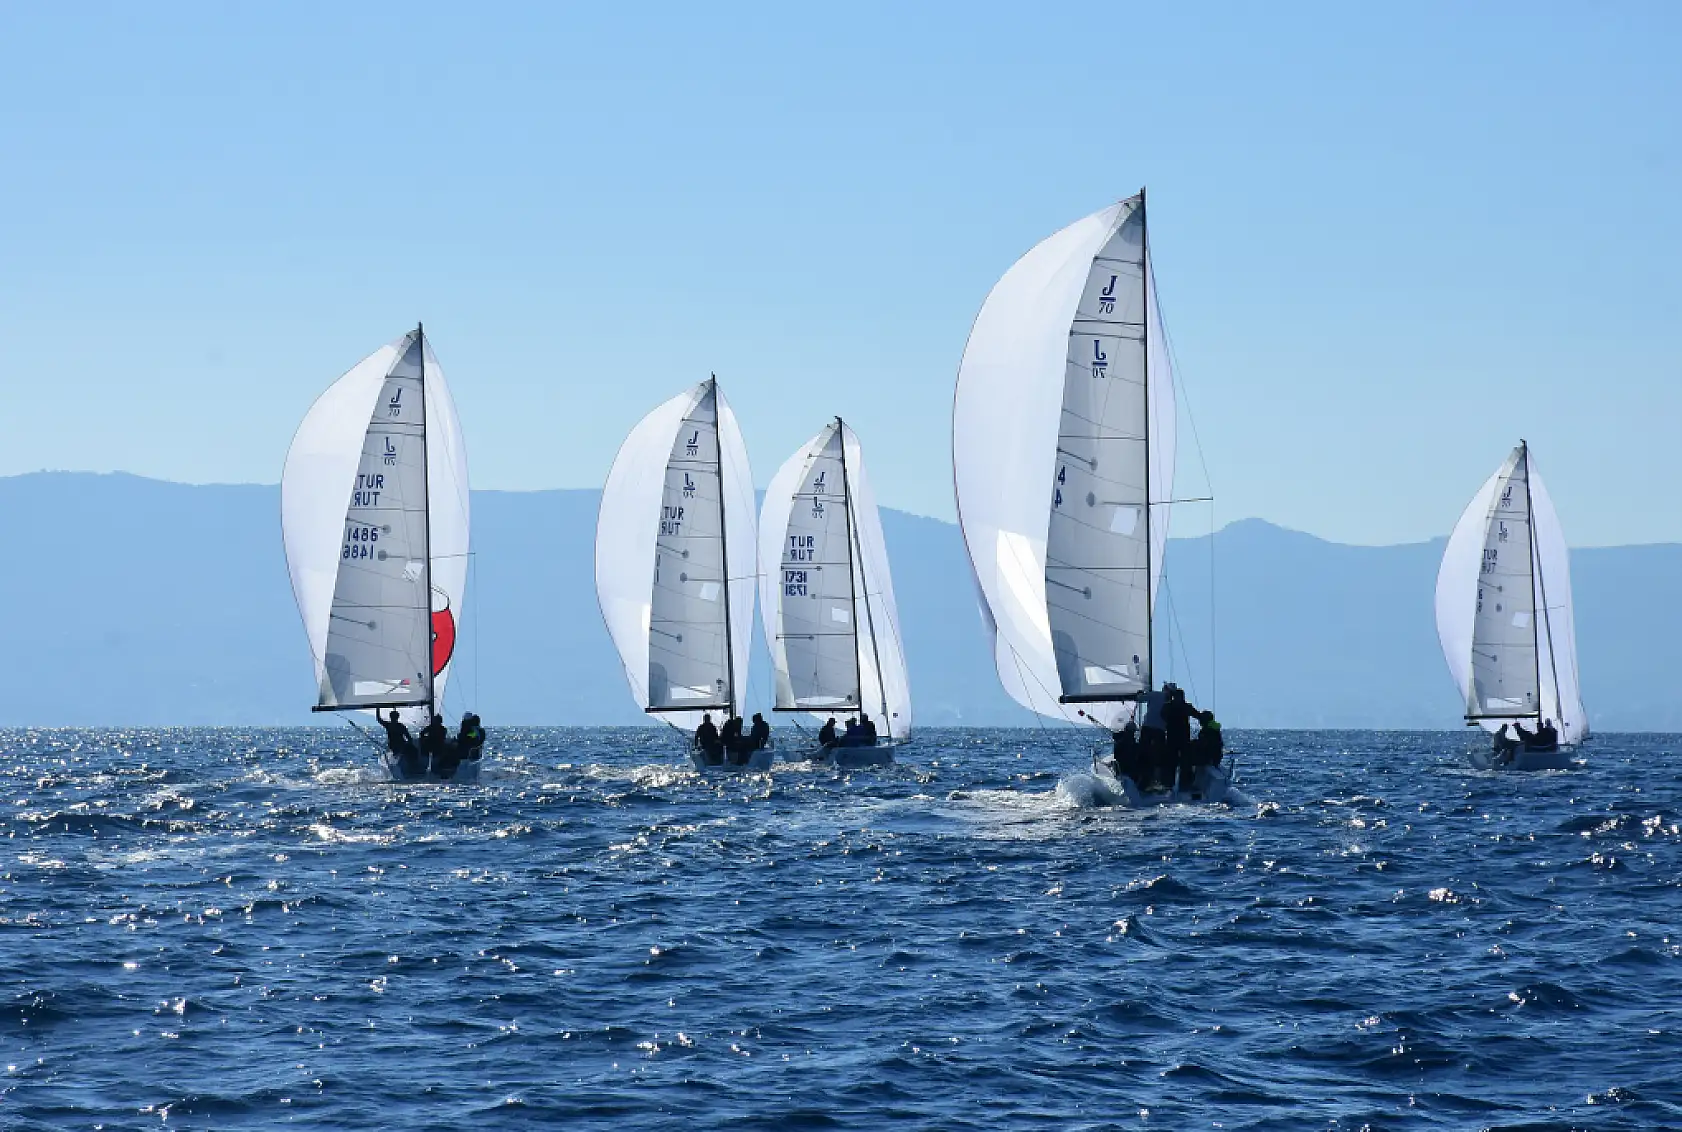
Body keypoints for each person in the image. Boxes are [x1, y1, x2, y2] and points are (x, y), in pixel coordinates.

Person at [1161, 685, 1201, 792]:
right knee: (1183, 763)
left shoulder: (1168, 706)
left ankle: (1170, 785)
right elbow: (1197, 715)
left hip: (1173, 738)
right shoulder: (1185, 706)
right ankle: (1183, 785)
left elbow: (1162, 716)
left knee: (1172, 762)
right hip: (1182, 738)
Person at [378, 708, 424, 778]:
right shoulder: (398, 726)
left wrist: (377, 709)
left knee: (412, 750)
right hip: (397, 746)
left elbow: (379, 719)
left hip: (397, 745)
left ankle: (413, 764)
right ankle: (414, 764)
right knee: (413, 750)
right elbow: (409, 737)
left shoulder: (390, 725)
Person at [1137, 686, 1168, 789]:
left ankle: (1142, 778)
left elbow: (1140, 699)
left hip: (1148, 727)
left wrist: (1140, 693)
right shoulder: (1170, 700)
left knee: (1143, 752)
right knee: (1159, 754)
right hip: (1160, 730)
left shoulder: (1154, 694)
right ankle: (1158, 779)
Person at [418, 713, 448, 777]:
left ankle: (430, 770)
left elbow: (422, 733)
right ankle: (432, 770)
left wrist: (424, 739)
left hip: (434, 746)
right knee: (433, 759)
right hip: (435, 746)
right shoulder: (442, 729)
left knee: (434, 759)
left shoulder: (432, 727)